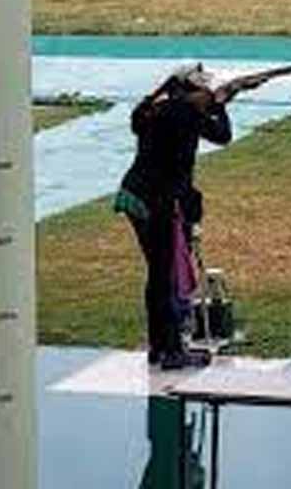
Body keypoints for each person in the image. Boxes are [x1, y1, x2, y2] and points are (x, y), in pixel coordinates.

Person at [114, 63, 234, 369]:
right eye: (204, 90)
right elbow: (222, 135)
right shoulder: (185, 113)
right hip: (158, 200)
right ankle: (170, 351)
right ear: (188, 91)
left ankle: (160, 346)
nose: (208, 94)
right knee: (165, 276)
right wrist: (221, 106)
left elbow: (141, 116)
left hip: (135, 195)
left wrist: (211, 102)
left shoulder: (154, 109)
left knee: (158, 274)